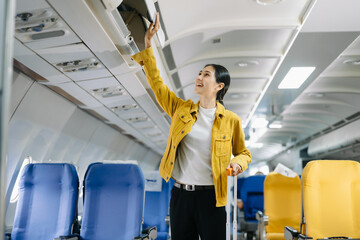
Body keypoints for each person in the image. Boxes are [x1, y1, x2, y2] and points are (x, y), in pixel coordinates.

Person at [131, 13, 251, 240]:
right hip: (181, 196)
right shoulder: (181, 110)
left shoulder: (231, 120)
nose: (199, 77)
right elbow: (157, 84)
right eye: (199, 73)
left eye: (206, 74)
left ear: (219, 86)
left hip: (212, 197)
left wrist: (237, 163)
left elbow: (244, 153)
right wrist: (148, 44)